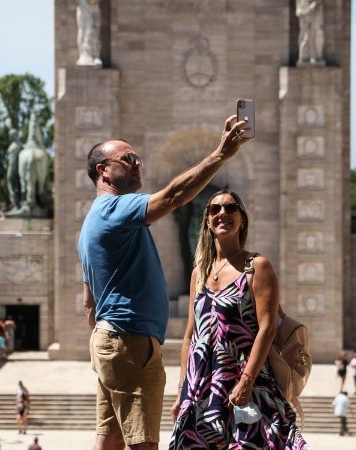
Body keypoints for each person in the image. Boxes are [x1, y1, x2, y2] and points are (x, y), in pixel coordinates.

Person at [79, 114, 251, 450]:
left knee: (110, 439)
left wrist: (107, 342)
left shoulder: (91, 221)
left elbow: (89, 301)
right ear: (103, 170)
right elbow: (173, 197)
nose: (137, 165)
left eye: (138, 159)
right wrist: (221, 154)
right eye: (128, 160)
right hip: (130, 340)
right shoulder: (115, 209)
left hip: (111, 339)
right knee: (142, 443)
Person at [169, 191, 309, 449]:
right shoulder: (199, 273)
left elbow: (266, 329)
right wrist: (181, 390)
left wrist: (246, 382)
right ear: (207, 222)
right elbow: (190, 335)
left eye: (231, 208)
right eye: (215, 209)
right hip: (201, 385)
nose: (223, 213)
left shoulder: (256, 266)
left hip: (245, 379)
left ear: (242, 219)